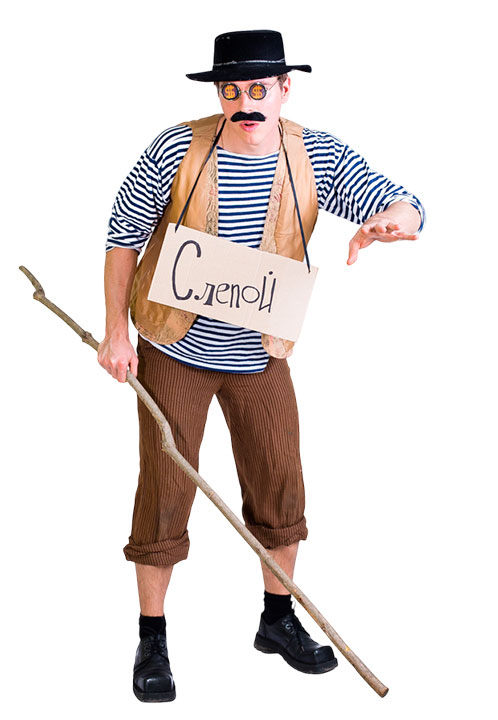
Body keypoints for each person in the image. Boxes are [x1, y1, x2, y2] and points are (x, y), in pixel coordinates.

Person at [98, 29, 425, 703]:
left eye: (258, 89)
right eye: (231, 89)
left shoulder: (313, 154)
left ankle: (277, 620)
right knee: (165, 487)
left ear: (283, 90)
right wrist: (115, 333)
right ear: (220, 93)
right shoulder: (176, 149)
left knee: (281, 484)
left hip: (261, 354)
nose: (245, 103)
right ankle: (152, 636)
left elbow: (397, 199)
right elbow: (122, 235)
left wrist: (390, 222)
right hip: (174, 349)